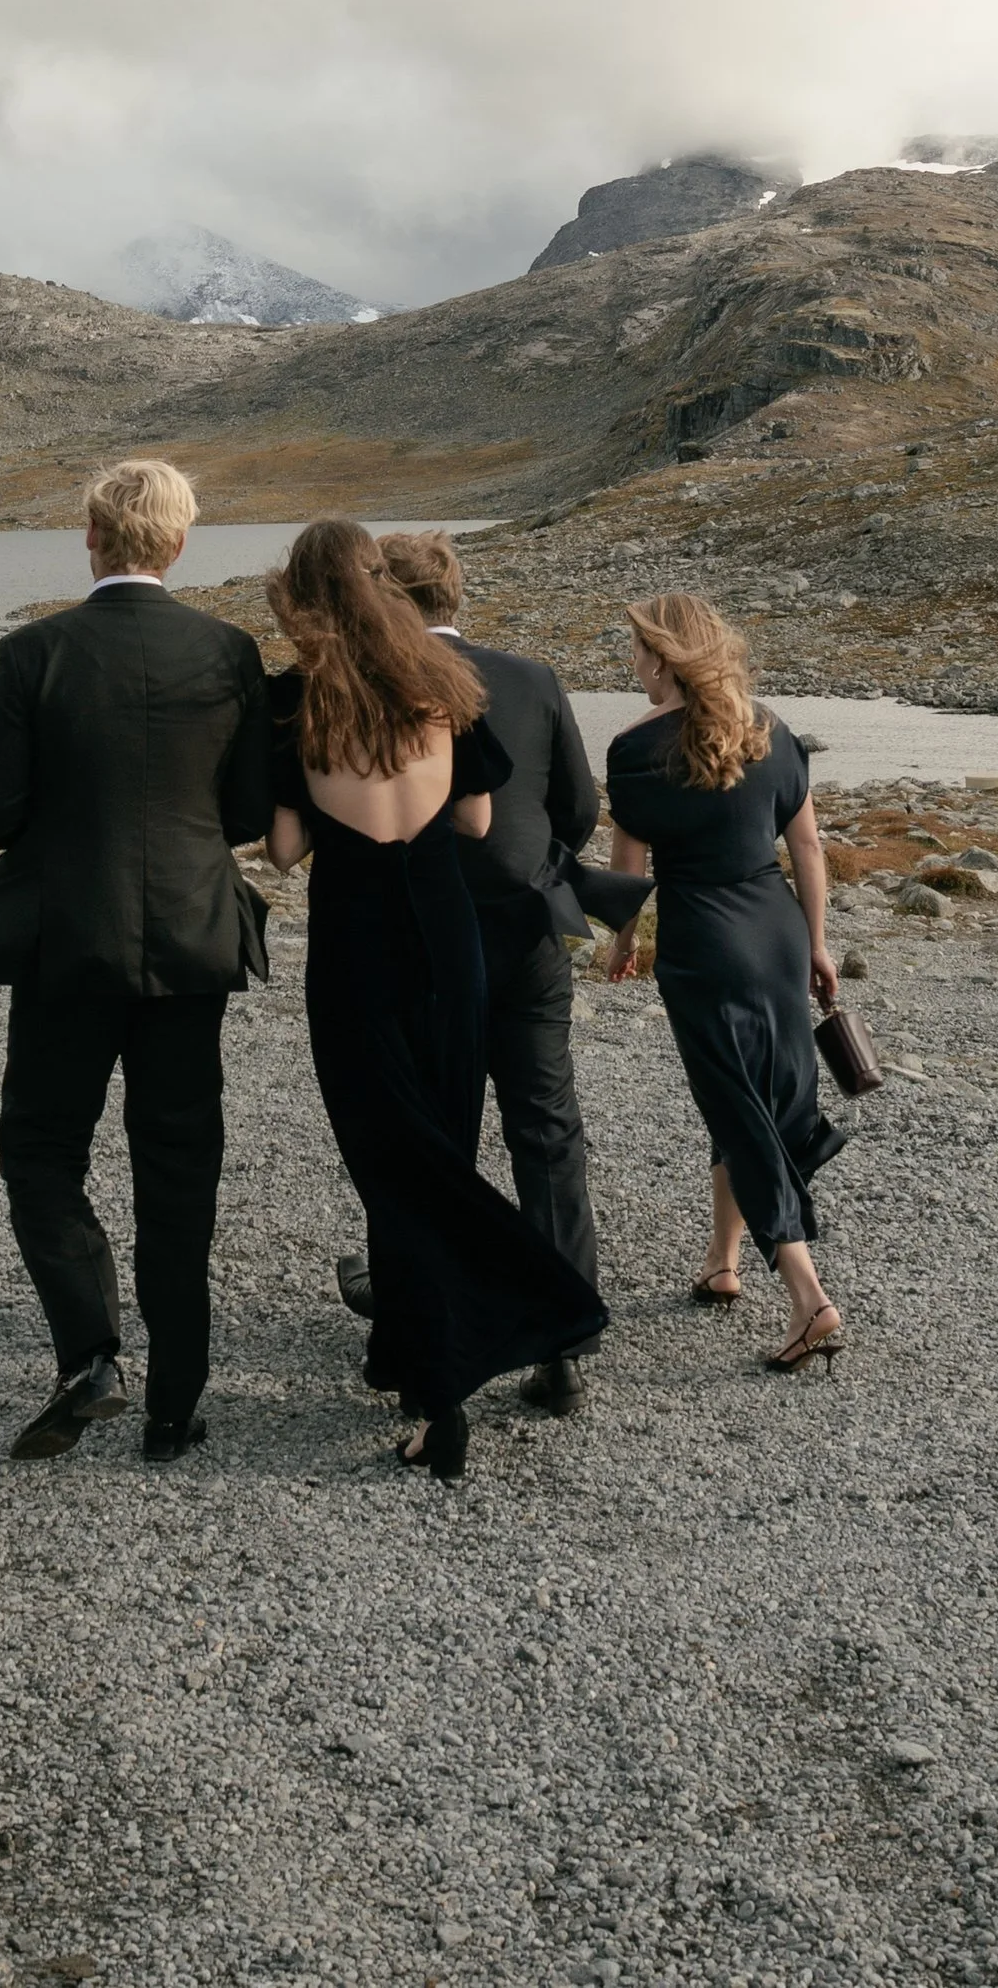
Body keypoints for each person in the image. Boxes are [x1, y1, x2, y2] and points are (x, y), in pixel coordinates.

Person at [266, 518, 606, 1483]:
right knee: (446, 1145)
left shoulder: (295, 698)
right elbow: (477, 816)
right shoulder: (445, 687)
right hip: (444, 930)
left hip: (355, 938)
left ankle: (446, 1386)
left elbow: (287, 850)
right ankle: (430, 1358)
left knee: (391, 1157)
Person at [0, 458, 270, 1466]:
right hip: (191, 939)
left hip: (65, 944)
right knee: (179, 1173)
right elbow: (247, 814)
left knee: (41, 1151)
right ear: (178, 546)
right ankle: (173, 1409)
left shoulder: (31, 650)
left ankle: (92, 1355)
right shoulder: (229, 653)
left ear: (89, 536)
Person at [377, 530, 602, 1415]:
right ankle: (564, 1339)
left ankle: (430, 1326)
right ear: (455, 595)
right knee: (545, 1132)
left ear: (392, 599)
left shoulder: (379, 685)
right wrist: (536, 864)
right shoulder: (533, 679)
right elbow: (578, 808)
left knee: (427, 1134)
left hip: (421, 939)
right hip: (526, 935)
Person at [602, 593, 848, 1374]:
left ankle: (808, 1295)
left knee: (737, 1105)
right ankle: (722, 1261)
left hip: (704, 943)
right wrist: (817, 944)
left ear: (665, 658)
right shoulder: (768, 729)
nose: (632, 663)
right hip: (774, 929)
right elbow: (807, 848)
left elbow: (629, 871)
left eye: (638, 651)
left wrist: (622, 941)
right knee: (750, 1095)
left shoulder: (633, 751)